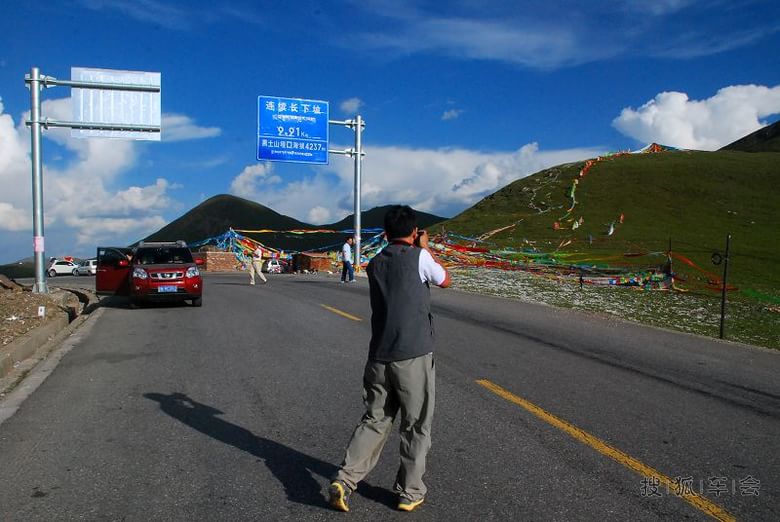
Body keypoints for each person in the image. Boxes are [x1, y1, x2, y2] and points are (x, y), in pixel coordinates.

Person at [329, 205, 451, 513]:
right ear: (415, 232)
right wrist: (425, 247)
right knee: (415, 425)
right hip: (413, 355)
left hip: (379, 355)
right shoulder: (420, 256)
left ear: (384, 234)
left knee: (375, 420)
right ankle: (409, 492)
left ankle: (344, 480)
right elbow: (445, 280)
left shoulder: (374, 263)